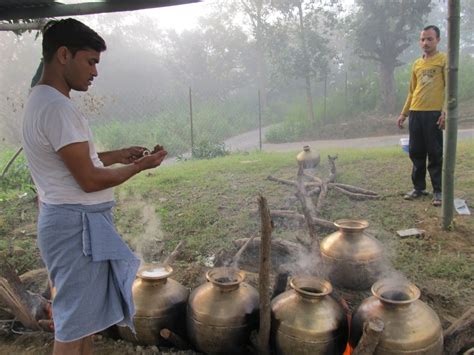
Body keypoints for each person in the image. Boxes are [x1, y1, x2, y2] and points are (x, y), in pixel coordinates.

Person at [21, 18, 167, 355]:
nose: (95, 73)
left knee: (83, 324)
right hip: (75, 229)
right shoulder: (57, 108)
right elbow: (87, 179)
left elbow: (70, 160)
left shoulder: (41, 100)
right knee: (72, 329)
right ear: (63, 55)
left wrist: (116, 155)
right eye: (90, 61)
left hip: (71, 224)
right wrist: (139, 166)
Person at [397, 25, 446, 207]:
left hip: (433, 113)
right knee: (416, 152)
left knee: (435, 152)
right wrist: (404, 113)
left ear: (438, 40)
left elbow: (449, 89)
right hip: (416, 113)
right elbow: (412, 91)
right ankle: (419, 188)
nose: (425, 43)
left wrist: (445, 112)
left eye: (430, 39)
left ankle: (438, 191)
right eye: (423, 39)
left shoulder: (443, 60)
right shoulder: (417, 64)